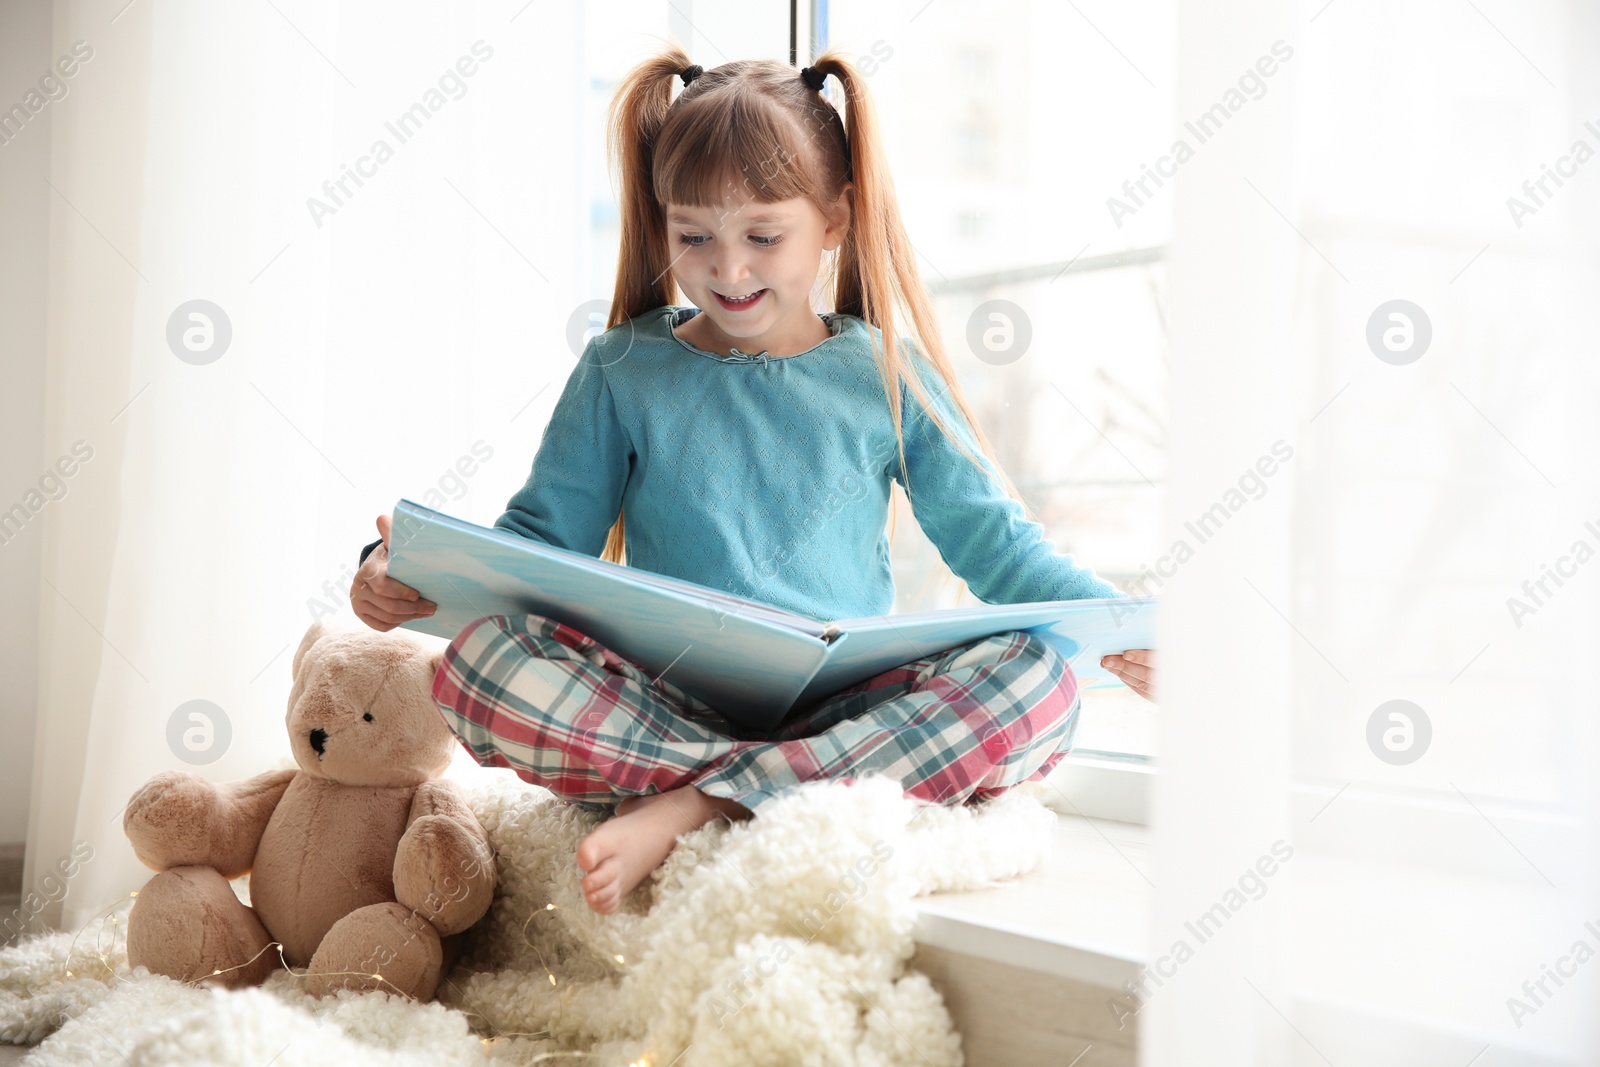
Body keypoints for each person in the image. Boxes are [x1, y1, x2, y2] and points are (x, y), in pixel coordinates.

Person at [350, 48, 1158, 915]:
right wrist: (398, 570)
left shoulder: (886, 373)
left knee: (1041, 683)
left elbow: (1000, 550)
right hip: (663, 705)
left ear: (835, 219)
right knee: (482, 666)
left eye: (764, 237)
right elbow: (536, 550)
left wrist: (1134, 627)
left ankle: (703, 799)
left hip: (847, 710)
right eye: (694, 236)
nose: (728, 271)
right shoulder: (624, 368)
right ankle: (768, 787)